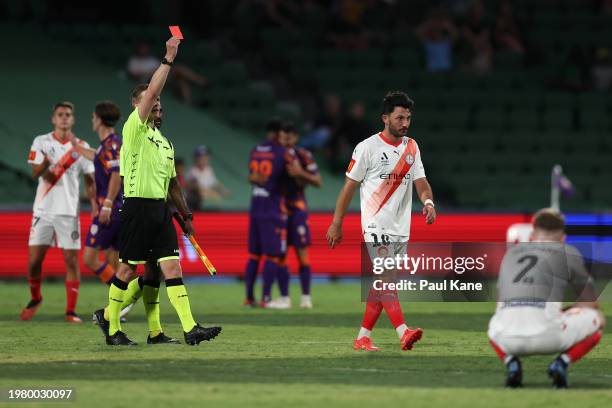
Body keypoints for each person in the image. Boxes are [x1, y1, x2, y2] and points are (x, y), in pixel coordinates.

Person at [105, 36, 222, 346]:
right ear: (138, 105)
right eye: (151, 101)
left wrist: (185, 214)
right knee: (128, 270)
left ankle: (188, 328)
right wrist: (169, 57)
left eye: (158, 103)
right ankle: (112, 326)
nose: (156, 104)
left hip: (160, 210)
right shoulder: (134, 128)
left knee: (169, 266)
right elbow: (154, 88)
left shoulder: (165, 143)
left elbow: (172, 184)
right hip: (137, 207)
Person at [326, 91, 437, 351]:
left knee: (383, 284)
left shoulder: (412, 147)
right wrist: (336, 222)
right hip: (376, 225)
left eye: (408, 118)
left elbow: (421, 181)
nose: (405, 123)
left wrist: (428, 202)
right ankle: (403, 331)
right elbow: (349, 187)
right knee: (386, 278)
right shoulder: (367, 148)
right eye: (400, 118)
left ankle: (362, 337)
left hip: (401, 227)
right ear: (385, 118)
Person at [488, 208, 605, 388]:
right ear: (562, 237)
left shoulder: (510, 254)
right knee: (597, 319)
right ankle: (562, 363)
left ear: (532, 234)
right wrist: (569, 310)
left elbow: (500, 303)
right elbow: (591, 303)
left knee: (494, 324)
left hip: (506, 338)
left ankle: (512, 364)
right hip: (550, 336)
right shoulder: (568, 252)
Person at [21, 101, 96, 323]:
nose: (64, 118)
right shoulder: (40, 141)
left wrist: (95, 204)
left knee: (71, 261)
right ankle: (35, 297)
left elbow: (90, 180)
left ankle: (70, 311)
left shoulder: (81, 146)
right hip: (43, 210)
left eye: (68, 115)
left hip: (68, 212)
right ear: (53, 119)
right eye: (60, 114)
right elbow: (35, 173)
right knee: (34, 261)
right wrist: (46, 164)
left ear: (72, 120)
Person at [244, 118, 305, 307]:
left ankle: (249, 298)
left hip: (255, 206)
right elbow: (295, 175)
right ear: (279, 134)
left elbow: (252, 176)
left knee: (254, 255)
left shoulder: (255, 150)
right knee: (273, 255)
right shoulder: (282, 152)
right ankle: (266, 298)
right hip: (273, 208)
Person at [268, 122, 322, 309]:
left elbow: (317, 181)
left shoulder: (303, 155)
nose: (286, 139)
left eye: (290, 135)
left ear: (296, 137)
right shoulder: (274, 155)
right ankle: (285, 298)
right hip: (278, 210)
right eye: (283, 135)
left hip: (297, 209)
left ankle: (306, 298)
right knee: (280, 254)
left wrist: (300, 173)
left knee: (302, 254)